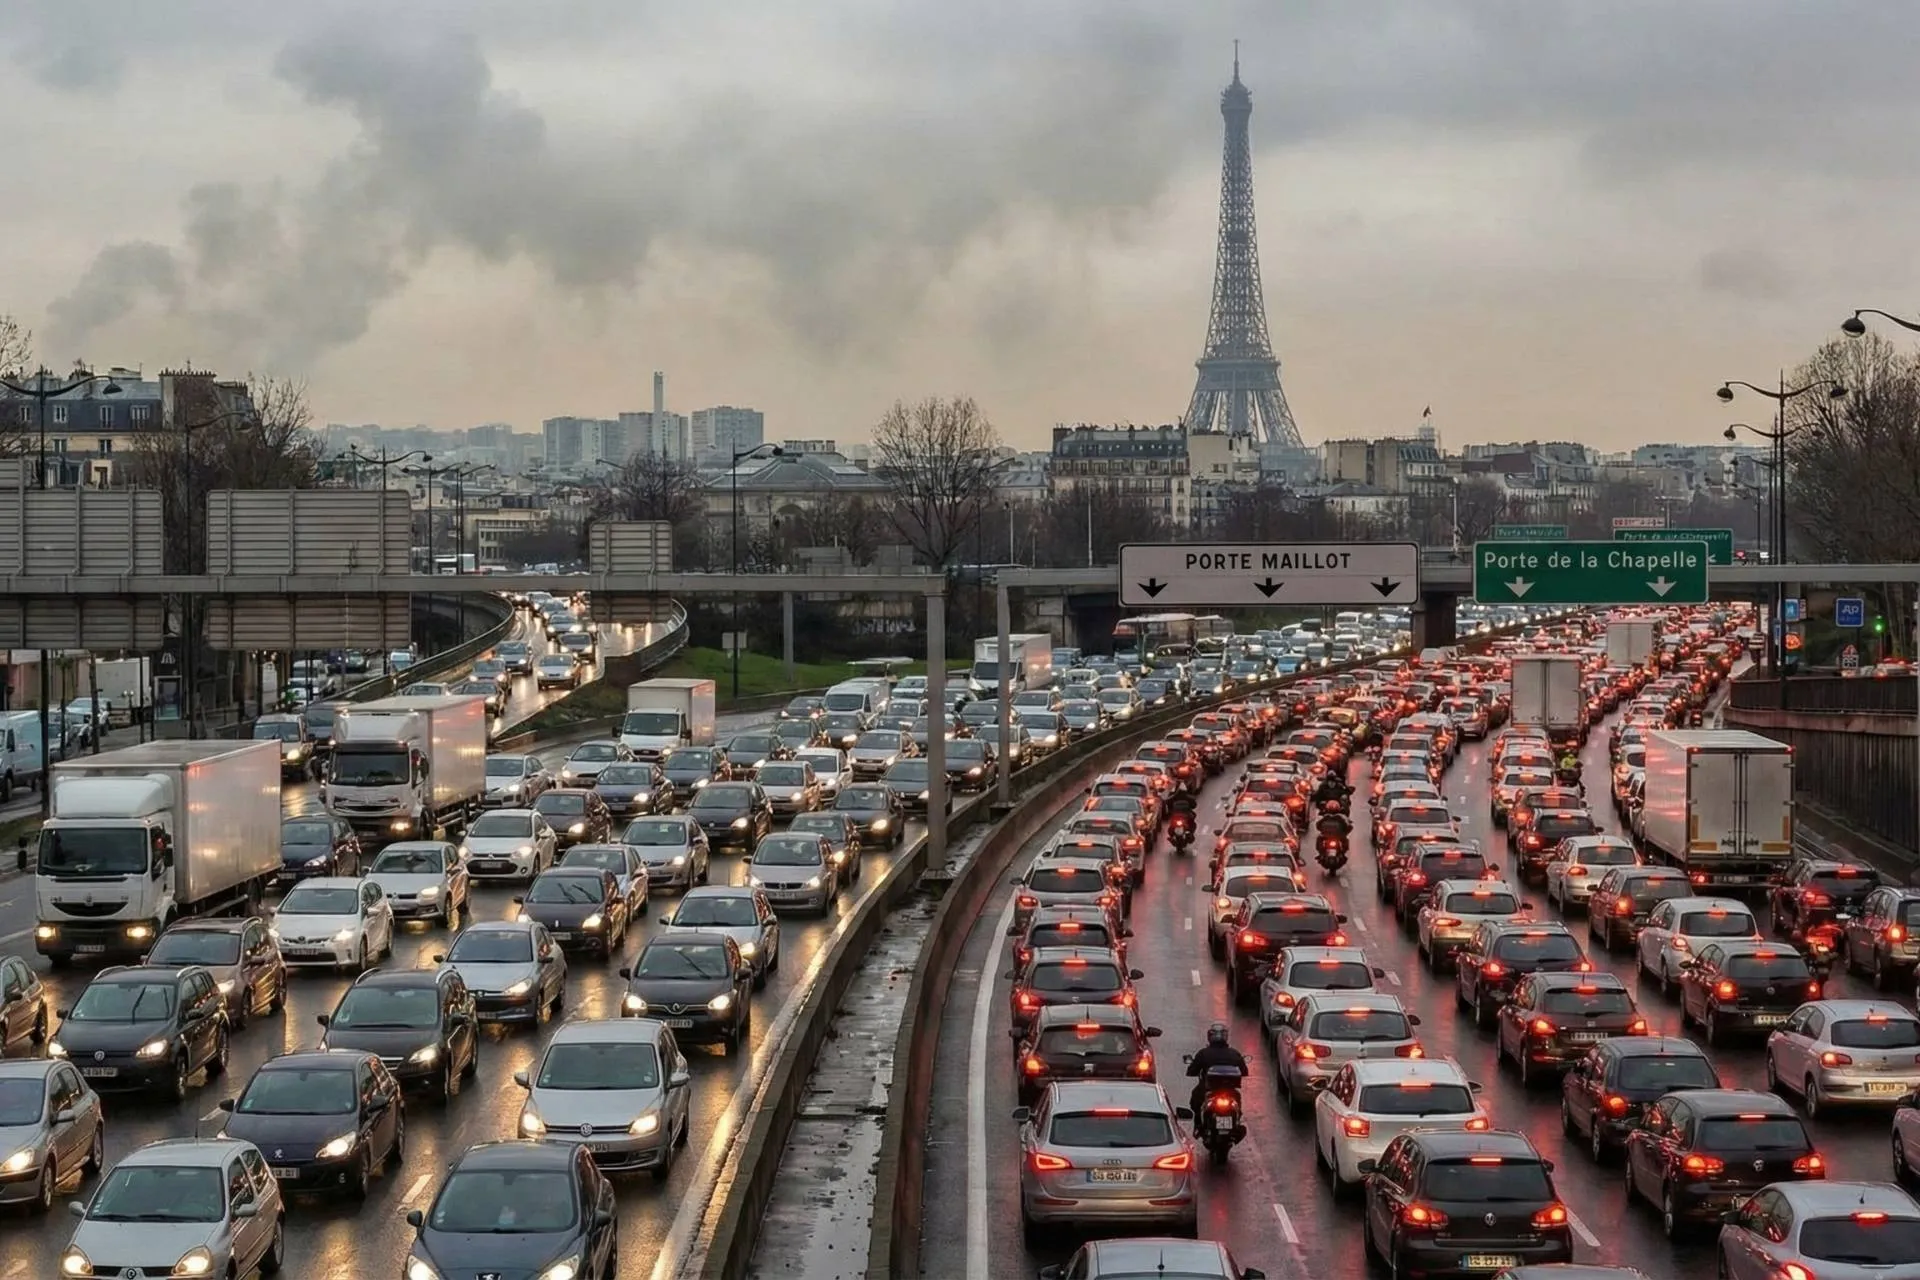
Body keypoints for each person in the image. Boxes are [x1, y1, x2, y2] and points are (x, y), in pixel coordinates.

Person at [1186, 1021, 1249, 1119]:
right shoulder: (1234, 1054)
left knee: (1196, 1099)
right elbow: (1244, 1071)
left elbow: (1192, 1071)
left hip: (1208, 1089)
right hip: (1228, 1091)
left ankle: (1199, 1122)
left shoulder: (1203, 1053)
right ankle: (1236, 1120)